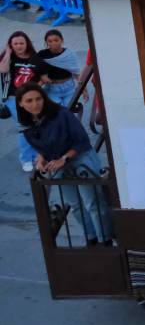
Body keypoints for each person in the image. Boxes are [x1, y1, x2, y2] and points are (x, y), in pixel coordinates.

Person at [16, 83, 112, 246]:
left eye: (38, 99)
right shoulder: (26, 123)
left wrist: (63, 158)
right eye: (29, 101)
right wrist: (41, 157)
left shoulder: (61, 114)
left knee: (92, 202)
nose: (35, 104)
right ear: (20, 103)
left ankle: (105, 240)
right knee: (75, 204)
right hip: (56, 163)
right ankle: (91, 239)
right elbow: (40, 143)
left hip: (80, 157)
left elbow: (82, 141)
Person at [1, 31, 50, 172]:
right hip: (13, 99)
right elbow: (3, 69)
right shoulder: (8, 59)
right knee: (25, 127)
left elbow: (43, 78)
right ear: (11, 45)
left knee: (35, 127)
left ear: (27, 43)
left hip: (32, 99)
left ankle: (37, 156)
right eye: (15, 43)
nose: (19, 46)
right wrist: (8, 52)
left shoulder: (36, 59)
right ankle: (26, 158)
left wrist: (37, 87)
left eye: (21, 43)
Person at [39, 30, 83, 109]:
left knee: (69, 110)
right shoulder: (42, 54)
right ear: (46, 42)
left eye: (56, 40)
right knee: (57, 111)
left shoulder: (69, 54)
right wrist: (42, 76)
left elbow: (77, 73)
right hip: (52, 89)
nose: (53, 43)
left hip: (69, 88)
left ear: (62, 40)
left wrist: (84, 90)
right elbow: (34, 67)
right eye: (50, 41)